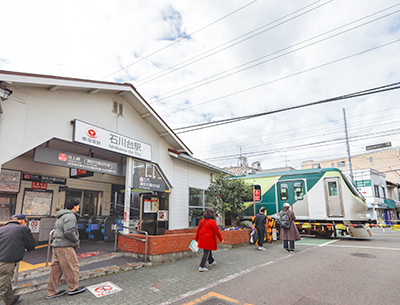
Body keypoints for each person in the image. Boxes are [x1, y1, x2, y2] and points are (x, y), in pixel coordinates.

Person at [46, 198, 86, 299]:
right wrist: (76, 240)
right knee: (72, 266)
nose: (79, 207)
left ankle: (51, 291)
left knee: (56, 269)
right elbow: (69, 231)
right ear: (75, 206)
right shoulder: (70, 216)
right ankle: (73, 288)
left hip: (56, 245)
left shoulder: (61, 216)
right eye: (78, 205)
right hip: (65, 245)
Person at [0, 214, 36, 305]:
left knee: (4, 280)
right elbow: (31, 244)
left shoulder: (2, 229)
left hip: (2, 258)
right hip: (6, 261)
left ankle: (10, 300)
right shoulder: (22, 229)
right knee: (2, 285)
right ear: (22, 221)